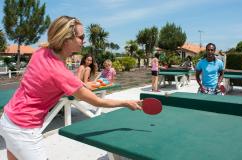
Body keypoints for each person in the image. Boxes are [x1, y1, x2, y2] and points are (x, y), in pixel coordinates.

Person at [0, 16, 141, 160]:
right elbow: (99, 102)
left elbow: (37, 79)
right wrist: (126, 103)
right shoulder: (60, 73)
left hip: (7, 118)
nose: (84, 40)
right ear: (66, 39)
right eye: (81, 37)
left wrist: (81, 84)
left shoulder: (41, 52)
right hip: (24, 128)